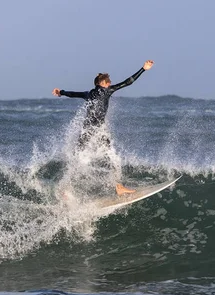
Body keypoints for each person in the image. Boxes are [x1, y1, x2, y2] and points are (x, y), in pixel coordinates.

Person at [52, 60, 154, 196]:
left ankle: (65, 188)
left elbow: (73, 94)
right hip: (98, 130)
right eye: (109, 82)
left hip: (87, 129)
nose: (110, 84)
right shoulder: (107, 91)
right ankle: (118, 187)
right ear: (103, 84)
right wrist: (143, 69)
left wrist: (61, 92)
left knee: (78, 157)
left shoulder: (88, 93)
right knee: (111, 156)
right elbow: (128, 82)